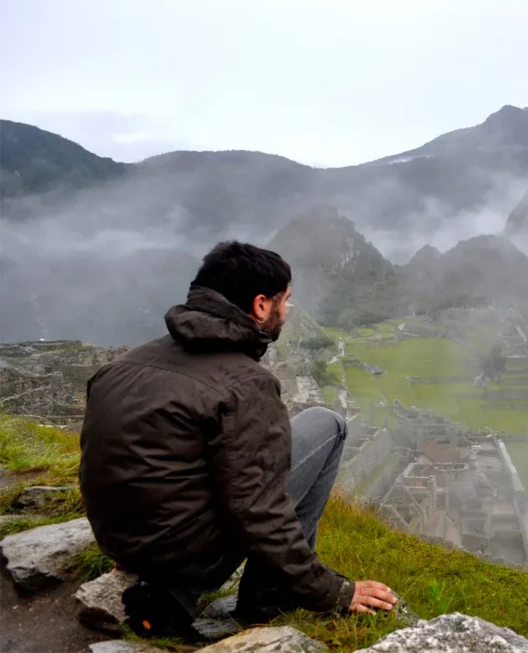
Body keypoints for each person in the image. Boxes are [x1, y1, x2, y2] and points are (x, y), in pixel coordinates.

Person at [78, 241, 396, 642]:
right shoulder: (244, 384)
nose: (287, 311)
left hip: (120, 542)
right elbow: (261, 511)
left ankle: (163, 588)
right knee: (326, 424)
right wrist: (333, 591)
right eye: (285, 301)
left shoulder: (122, 365)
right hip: (185, 556)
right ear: (261, 306)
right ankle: (270, 595)